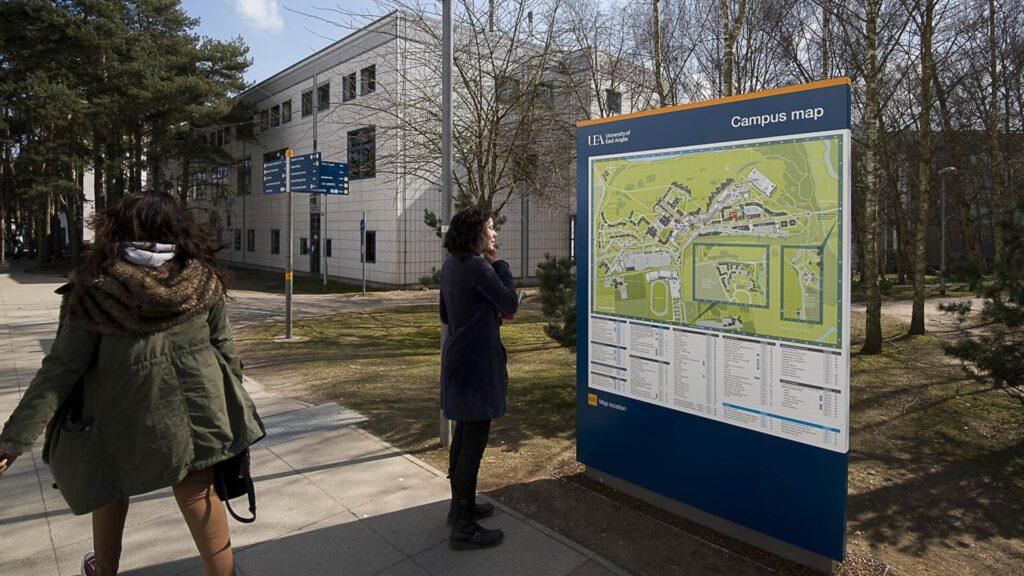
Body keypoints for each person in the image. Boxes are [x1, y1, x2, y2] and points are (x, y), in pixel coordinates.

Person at [0, 192, 265, 576]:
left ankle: (103, 570)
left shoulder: (95, 289)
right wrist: (233, 408)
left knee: (109, 486)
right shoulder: (201, 279)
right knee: (198, 493)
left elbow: (60, 370)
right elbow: (226, 352)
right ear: (177, 227)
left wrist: (12, 441)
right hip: (197, 415)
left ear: (119, 229)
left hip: (118, 418)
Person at [439, 205, 518, 550]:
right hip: (476, 366)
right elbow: (509, 301)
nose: (493, 234)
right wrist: (499, 263)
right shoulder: (476, 266)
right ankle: (465, 528)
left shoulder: (450, 266)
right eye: (490, 228)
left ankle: (459, 510)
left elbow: (445, 313)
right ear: (476, 233)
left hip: (458, 361)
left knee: (462, 439)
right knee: (473, 445)